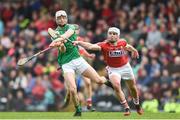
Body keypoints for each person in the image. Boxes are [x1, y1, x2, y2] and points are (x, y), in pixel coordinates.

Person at [49, 10, 113, 116]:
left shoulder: (71, 27)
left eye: (63, 17)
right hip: (66, 64)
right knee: (73, 89)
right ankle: (78, 109)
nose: (62, 19)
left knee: (98, 80)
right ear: (56, 20)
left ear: (66, 18)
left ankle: (107, 81)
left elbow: (67, 34)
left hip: (78, 60)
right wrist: (59, 44)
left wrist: (59, 39)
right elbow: (63, 50)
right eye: (59, 18)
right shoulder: (54, 33)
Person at [73, 27, 143, 116]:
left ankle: (137, 105)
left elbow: (127, 46)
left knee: (132, 88)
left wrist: (134, 50)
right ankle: (126, 108)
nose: (112, 35)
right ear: (107, 35)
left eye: (114, 34)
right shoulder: (103, 45)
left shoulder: (122, 42)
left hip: (125, 67)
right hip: (113, 69)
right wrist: (79, 43)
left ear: (118, 36)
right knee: (116, 86)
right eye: (110, 33)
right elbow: (90, 46)